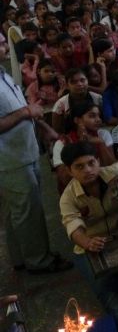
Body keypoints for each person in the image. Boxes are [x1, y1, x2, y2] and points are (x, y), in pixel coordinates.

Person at [0, 44, 72, 274]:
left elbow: (22, 107)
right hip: (9, 159)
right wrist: (26, 113)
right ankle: (39, 261)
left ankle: (20, 257)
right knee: (28, 210)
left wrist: (43, 127)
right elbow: (24, 111)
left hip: (23, 150)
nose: (5, 46)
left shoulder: (3, 75)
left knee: (17, 209)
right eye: (0, 43)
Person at [58, 142, 118, 331]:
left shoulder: (114, 173)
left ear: (98, 161)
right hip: (89, 251)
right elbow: (73, 227)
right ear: (69, 171)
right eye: (79, 167)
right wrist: (87, 242)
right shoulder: (68, 198)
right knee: (109, 298)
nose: (88, 170)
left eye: (91, 163)